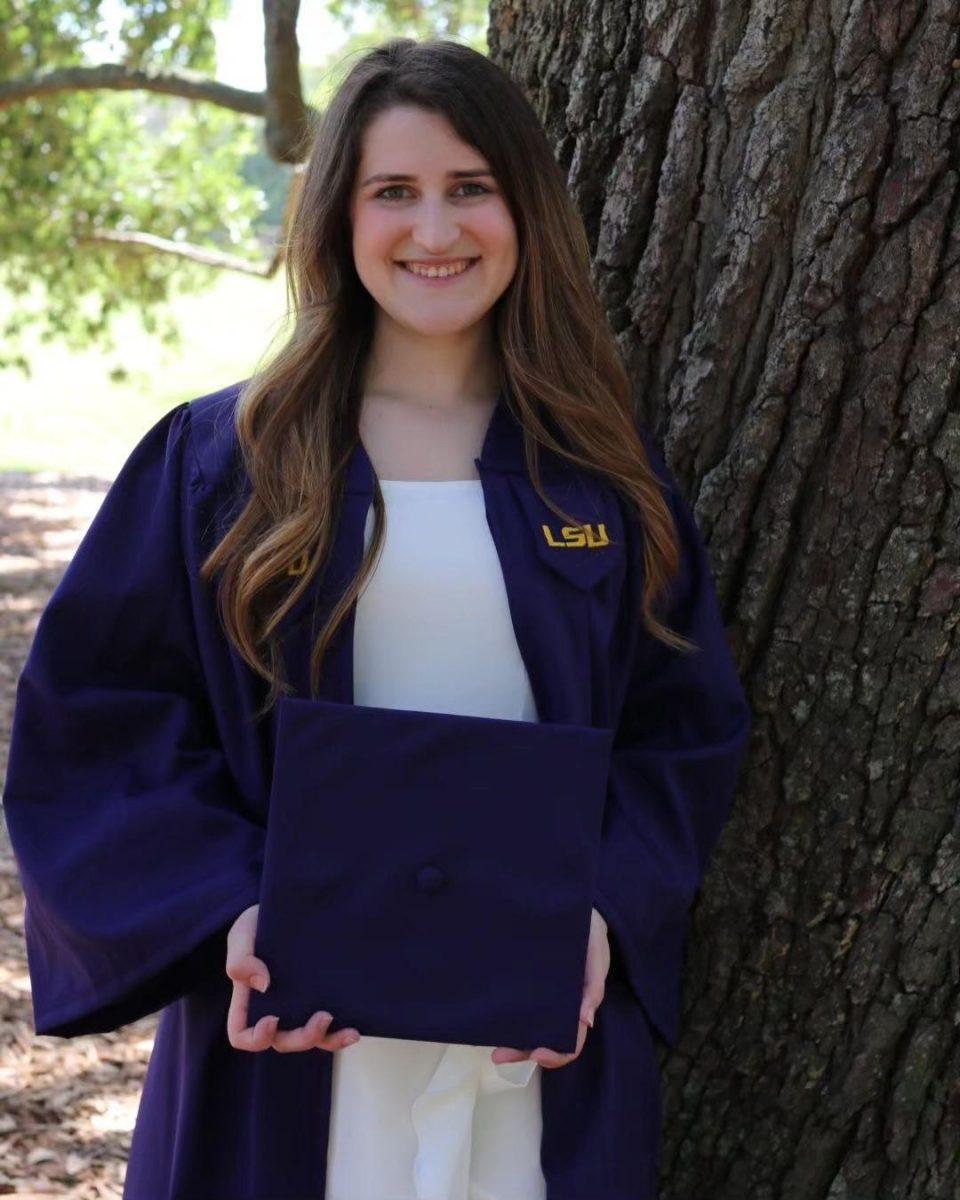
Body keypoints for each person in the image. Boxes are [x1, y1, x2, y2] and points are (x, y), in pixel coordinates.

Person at [2, 36, 753, 1200]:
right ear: (338, 220)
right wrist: (226, 917)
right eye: (392, 192)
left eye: (471, 190)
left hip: (528, 1046)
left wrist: (605, 911)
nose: (435, 231)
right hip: (295, 1047)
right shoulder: (223, 463)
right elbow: (100, 727)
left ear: (527, 213)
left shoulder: (598, 480)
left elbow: (679, 735)